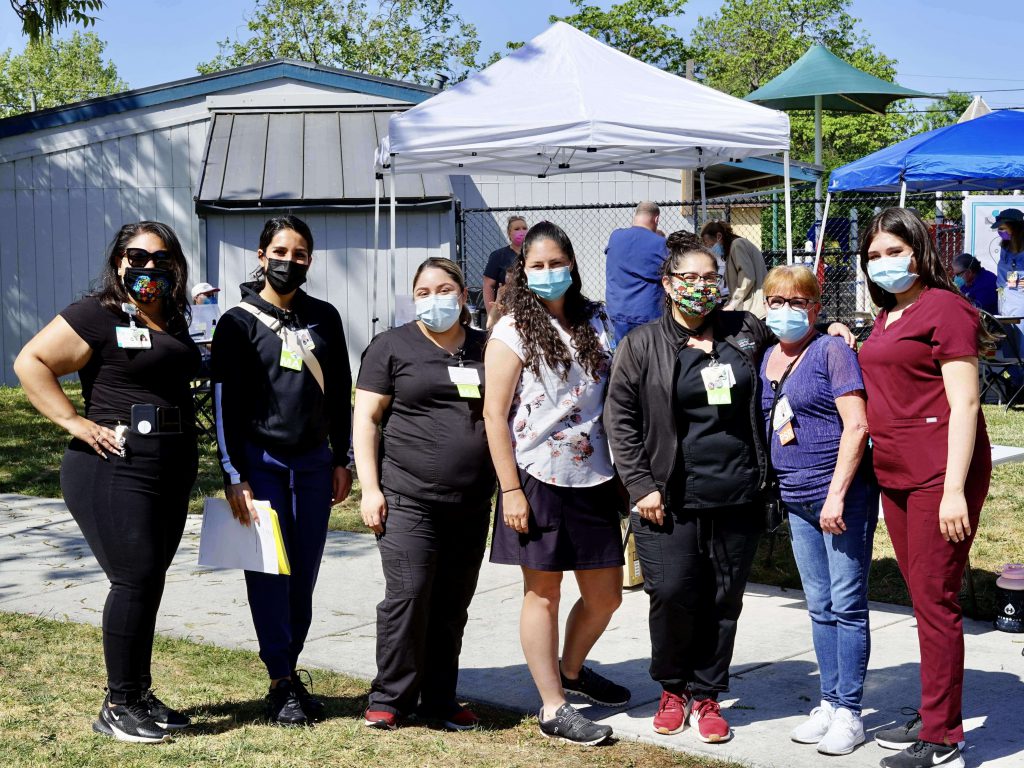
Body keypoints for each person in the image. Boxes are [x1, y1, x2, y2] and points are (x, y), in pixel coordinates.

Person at [14, 222, 200, 744]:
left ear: (174, 266)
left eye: (160, 259)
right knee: (135, 577)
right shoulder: (98, 313)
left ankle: (138, 694)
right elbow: (31, 361)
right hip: (113, 464)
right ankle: (118, 705)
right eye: (136, 257)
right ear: (119, 261)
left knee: (149, 581)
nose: (148, 267)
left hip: (169, 465)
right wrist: (75, 422)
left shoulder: (173, 319)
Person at [605, 239, 769, 745]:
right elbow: (621, 419)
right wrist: (640, 486)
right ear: (669, 284)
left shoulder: (744, 332)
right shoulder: (642, 344)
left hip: (737, 492)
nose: (701, 287)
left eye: (710, 277)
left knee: (723, 598)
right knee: (673, 593)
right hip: (667, 497)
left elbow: (794, 338)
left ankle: (708, 693)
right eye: (690, 278)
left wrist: (829, 327)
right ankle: (673, 687)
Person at [484, 221, 628, 746]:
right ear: (523, 270)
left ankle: (571, 669)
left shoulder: (597, 319)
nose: (548, 273)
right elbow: (494, 415)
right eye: (537, 266)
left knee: (606, 595)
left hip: (595, 474)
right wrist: (511, 490)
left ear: (572, 264)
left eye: (556, 263)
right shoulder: (511, 328)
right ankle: (553, 706)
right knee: (543, 593)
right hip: (535, 475)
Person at [858, 208, 991, 768]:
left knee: (936, 599)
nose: (884, 263)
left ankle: (943, 736)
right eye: (874, 255)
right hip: (896, 472)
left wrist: (955, 491)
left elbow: (965, 401)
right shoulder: (887, 314)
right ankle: (934, 707)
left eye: (894, 251)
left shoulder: (947, 308)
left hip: (942, 474)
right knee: (921, 596)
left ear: (919, 250)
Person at [212, 215, 353, 726]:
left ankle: (290, 670)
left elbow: (340, 392)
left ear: (309, 261)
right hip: (262, 468)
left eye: (298, 253)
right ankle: (279, 681)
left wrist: (343, 458)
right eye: (279, 250)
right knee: (270, 573)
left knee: (304, 574)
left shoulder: (325, 318)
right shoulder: (237, 322)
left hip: (315, 467)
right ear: (260, 254)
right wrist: (234, 475)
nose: (288, 261)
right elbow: (223, 403)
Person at [354, 258, 494, 732]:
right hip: (407, 497)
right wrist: (369, 489)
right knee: (410, 595)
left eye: (445, 288)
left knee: (452, 602)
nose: (435, 298)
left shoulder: (485, 347)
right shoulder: (391, 346)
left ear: (463, 293)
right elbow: (366, 419)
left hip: (472, 502)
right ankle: (390, 697)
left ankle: (439, 697)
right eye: (424, 291)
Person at [758, 265, 877, 756]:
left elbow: (857, 427)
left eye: (796, 302)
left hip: (840, 499)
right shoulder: (767, 355)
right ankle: (828, 701)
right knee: (820, 605)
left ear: (814, 305)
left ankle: (850, 711)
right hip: (796, 496)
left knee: (848, 605)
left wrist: (835, 494)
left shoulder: (833, 350)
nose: (785, 311)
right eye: (776, 301)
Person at [604, 201, 668, 340]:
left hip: (617, 311)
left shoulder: (615, 236)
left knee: (622, 357)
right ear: (656, 219)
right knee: (649, 357)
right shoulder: (660, 243)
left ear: (636, 215)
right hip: (647, 314)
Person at [701, 221, 767, 318]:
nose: (710, 248)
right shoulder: (732, 249)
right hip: (751, 305)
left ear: (719, 236)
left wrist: (732, 304)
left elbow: (747, 278)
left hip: (754, 307)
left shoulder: (737, 245)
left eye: (710, 245)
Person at [482, 215, 528, 314]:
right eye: (517, 229)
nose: (522, 231)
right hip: (506, 310)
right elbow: (488, 286)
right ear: (509, 233)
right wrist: (492, 314)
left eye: (524, 228)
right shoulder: (498, 256)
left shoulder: (534, 254)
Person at [993, 207, 1024, 349]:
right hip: (1006, 299)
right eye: (999, 229)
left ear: (1015, 228)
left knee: (1021, 344)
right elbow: (1007, 275)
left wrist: (1015, 281)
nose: (1001, 232)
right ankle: (1013, 371)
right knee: (1009, 343)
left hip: (1020, 302)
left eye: (1003, 228)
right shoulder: (1005, 247)